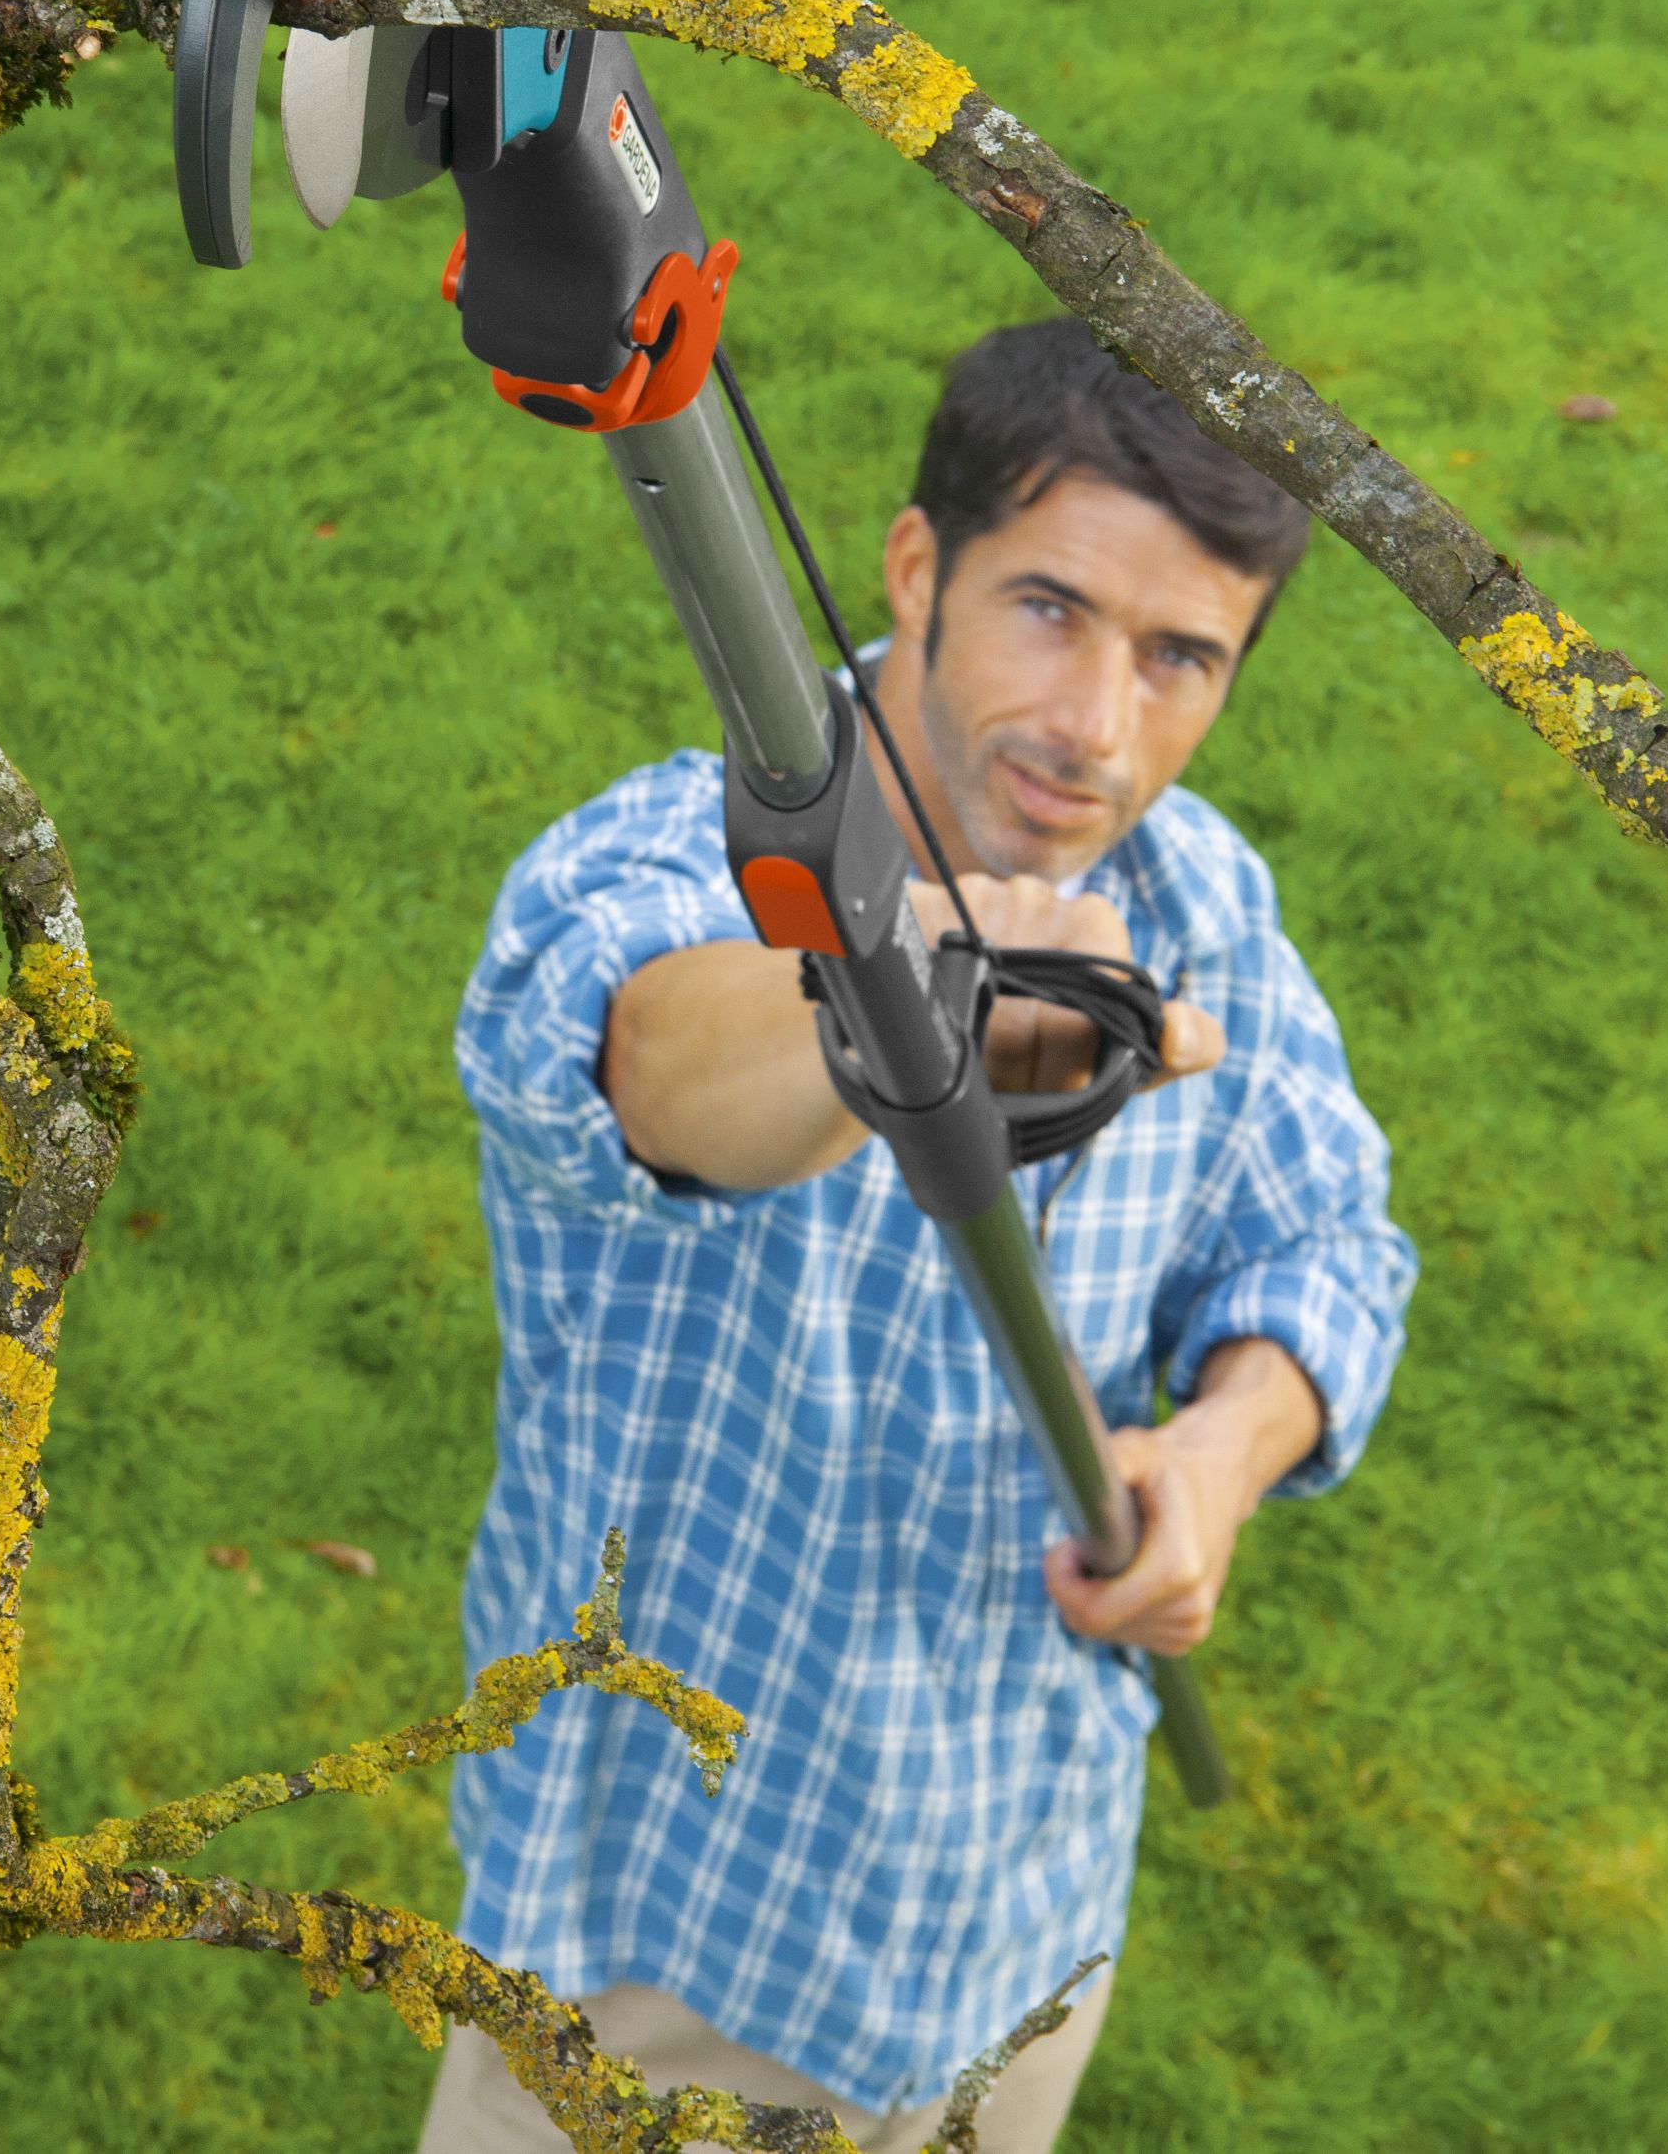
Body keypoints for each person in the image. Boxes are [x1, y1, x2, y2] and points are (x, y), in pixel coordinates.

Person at [418, 320, 1415, 2154]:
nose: (1094, 724)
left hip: (1015, 1938)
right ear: (910, 568)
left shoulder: (1202, 902)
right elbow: (633, 1058)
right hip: (659, 1960)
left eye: (1179, 655)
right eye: (1049, 608)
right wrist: (898, 1012)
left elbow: (1323, 1251)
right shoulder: (661, 860)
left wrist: (1218, 1454)